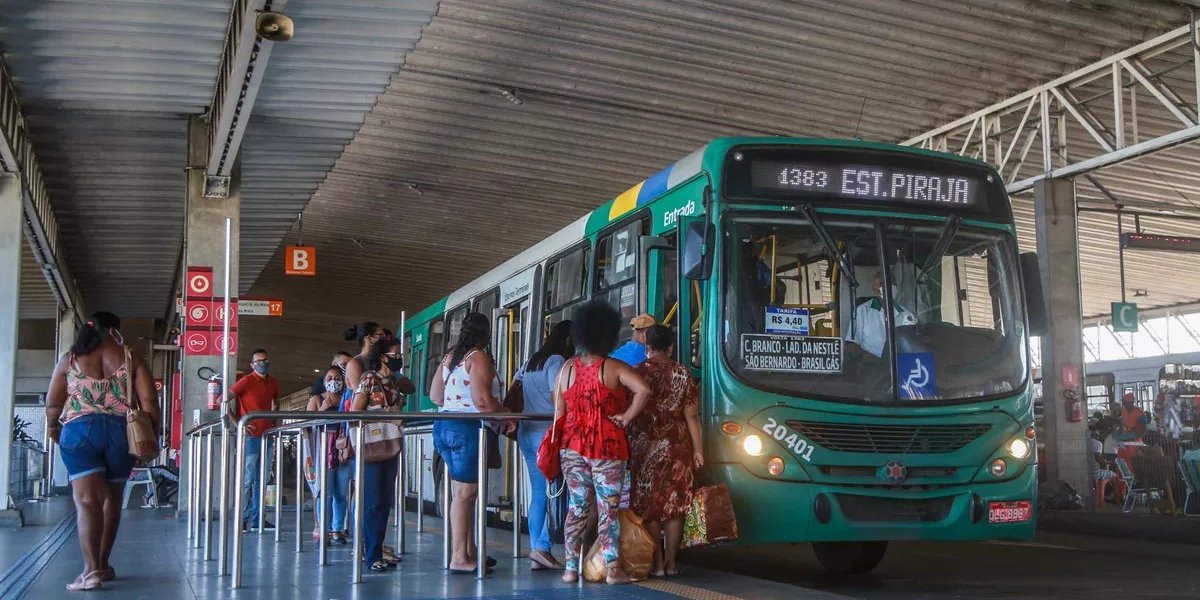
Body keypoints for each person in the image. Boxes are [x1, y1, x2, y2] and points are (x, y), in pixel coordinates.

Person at [46, 312, 159, 591]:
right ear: (114, 331)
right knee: (112, 501)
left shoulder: (70, 358)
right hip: (121, 433)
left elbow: (53, 402)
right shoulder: (130, 356)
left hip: (79, 432)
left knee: (87, 503)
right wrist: (150, 435)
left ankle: (90, 571)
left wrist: (53, 428)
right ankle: (103, 565)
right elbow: (148, 400)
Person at [557, 300, 651, 585]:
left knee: (577, 508)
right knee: (607, 510)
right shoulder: (613, 367)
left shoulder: (566, 370)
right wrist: (626, 416)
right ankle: (612, 570)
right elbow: (644, 389)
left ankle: (570, 569)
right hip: (608, 447)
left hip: (572, 446)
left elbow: (559, 412)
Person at [429, 313, 506, 574]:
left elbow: (435, 396)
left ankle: (469, 550)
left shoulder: (451, 358)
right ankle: (459, 557)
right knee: (465, 494)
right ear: (486, 333)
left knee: (460, 493)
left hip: (444, 427)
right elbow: (483, 401)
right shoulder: (478, 357)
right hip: (467, 429)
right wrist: (507, 414)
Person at [629, 324, 702, 578]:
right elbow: (692, 416)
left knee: (649, 507)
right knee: (674, 507)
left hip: (644, 445)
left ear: (647, 348)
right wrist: (698, 451)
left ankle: (656, 564)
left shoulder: (635, 373)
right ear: (670, 348)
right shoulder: (683, 372)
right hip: (676, 446)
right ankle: (672, 563)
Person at [345, 328, 415, 572]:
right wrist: (388, 416)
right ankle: (371, 554)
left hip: (390, 445)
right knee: (373, 501)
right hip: (372, 445)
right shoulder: (368, 379)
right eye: (395, 354)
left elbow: (412, 388)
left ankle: (377, 549)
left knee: (384, 501)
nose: (399, 358)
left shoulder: (395, 382)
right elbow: (356, 413)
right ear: (383, 357)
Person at [516, 320, 574, 571]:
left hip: (526, 431)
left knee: (539, 492)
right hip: (547, 436)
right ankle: (542, 547)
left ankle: (537, 549)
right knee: (554, 492)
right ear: (569, 341)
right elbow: (556, 394)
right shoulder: (556, 361)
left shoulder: (532, 361)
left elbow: (515, 388)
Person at [229, 348, 281, 532]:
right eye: (258, 361)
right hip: (250, 437)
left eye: (265, 360)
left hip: (266, 436)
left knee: (262, 479)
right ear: (252, 364)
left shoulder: (273, 382)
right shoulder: (246, 381)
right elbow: (223, 400)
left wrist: (275, 423)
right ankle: (242, 518)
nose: (263, 363)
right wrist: (239, 424)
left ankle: (259, 519)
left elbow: (276, 402)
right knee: (247, 479)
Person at [305, 365, 351, 544]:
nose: (334, 381)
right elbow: (307, 424)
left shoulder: (347, 398)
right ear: (324, 382)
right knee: (325, 491)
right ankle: (322, 528)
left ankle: (336, 529)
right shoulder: (317, 399)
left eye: (338, 378)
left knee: (341, 491)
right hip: (324, 450)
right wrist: (323, 409)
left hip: (344, 449)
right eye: (330, 378)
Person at [846, 271, 916, 359]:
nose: (889, 285)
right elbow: (851, 346)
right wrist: (878, 362)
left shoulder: (907, 315)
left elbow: (914, 345)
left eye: (892, 282)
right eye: (882, 283)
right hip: (871, 366)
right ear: (875, 289)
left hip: (900, 365)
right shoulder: (862, 312)